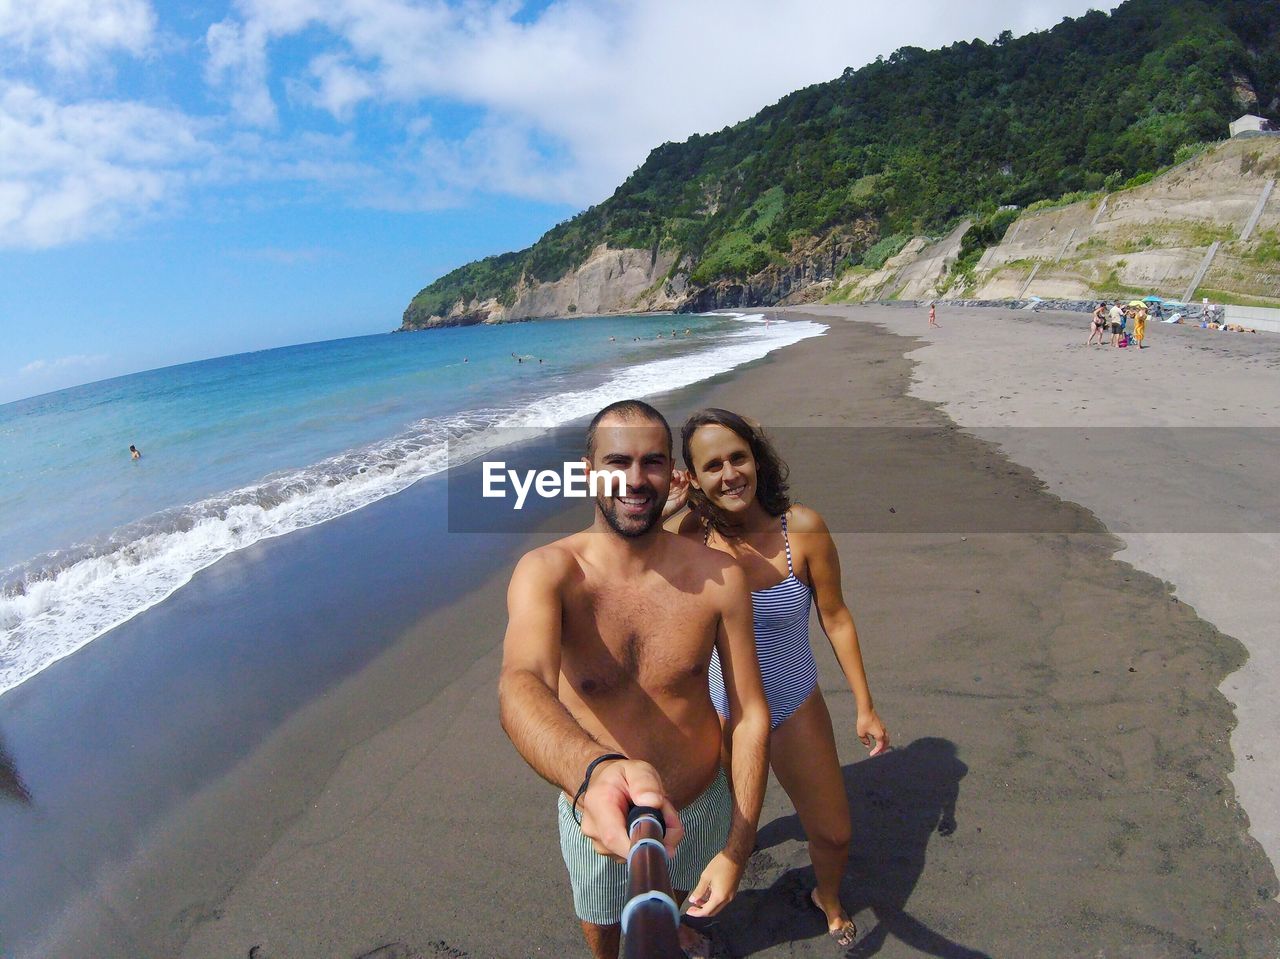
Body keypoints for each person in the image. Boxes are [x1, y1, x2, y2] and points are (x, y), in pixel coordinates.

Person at [499, 400, 770, 959]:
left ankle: (677, 926)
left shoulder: (717, 577)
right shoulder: (550, 573)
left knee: (684, 897)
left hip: (701, 800)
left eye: (651, 462)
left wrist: (738, 850)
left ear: (671, 472)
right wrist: (594, 773)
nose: (634, 478)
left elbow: (749, 714)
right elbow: (519, 683)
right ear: (588, 470)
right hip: (599, 809)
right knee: (601, 921)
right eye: (617, 460)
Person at [665, 409, 889, 948]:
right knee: (704, 830)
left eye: (738, 457)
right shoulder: (693, 533)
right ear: (694, 477)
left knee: (834, 834)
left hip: (792, 703)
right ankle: (694, 910)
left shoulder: (803, 528)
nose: (730, 474)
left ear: (756, 459)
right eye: (712, 466)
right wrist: (672, 506)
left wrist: (865, 704)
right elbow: (621, 556)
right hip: (718, 708)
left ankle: (826, 897)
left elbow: (835, 617)